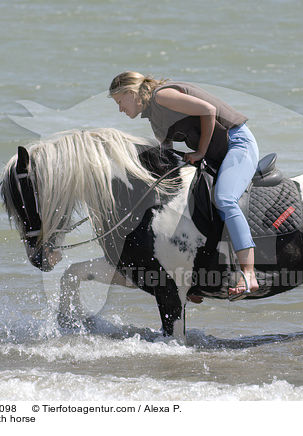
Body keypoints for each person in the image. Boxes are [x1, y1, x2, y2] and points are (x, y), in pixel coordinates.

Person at [109, 71, 259, 299]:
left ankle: (249, 273)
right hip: (216, 156)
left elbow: (208, 111)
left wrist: (200, 152)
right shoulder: (154, 117)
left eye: (120, 101)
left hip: (238, 144)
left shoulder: (162, 96)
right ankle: (199, 276)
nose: (120, 109)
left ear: (131, 93)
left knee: (224, 199)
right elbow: (167, 157)